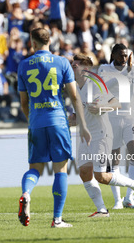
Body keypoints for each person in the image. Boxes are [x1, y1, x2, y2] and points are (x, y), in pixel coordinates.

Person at [17, 28, 91, 228]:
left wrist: (31, 120)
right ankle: (57, 219)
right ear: (51, 41)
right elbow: (75, 97)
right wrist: (83, 125)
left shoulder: (23, 65)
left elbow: (24, 102)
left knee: (35, 168)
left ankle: (26, 194)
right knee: (61, 170)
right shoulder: (61, 62)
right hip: (58, 120)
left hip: (36, 122)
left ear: (32, 43)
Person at [70, 54, 134, 217]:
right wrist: (68, 120)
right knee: (84, 172)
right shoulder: (73, 87)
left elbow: (116, 103)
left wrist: (101, 107)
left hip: (101, 134)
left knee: (101, 176)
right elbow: (77, 115)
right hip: (85, 135)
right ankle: (102, 210)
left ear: (85, 69)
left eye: (75, 65)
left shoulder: (95, 84)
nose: (72, 67)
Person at [98, 43, 134, 209]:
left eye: (126, 55)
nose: (124, 59)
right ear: (114, 54)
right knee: (114, 160)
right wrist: (127, 74)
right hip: (112, 118)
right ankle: (117, 201)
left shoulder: (133, 67)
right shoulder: (104, 68)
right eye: (121, 55)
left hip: (130, 117)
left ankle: (129, 198)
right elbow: (105, 86)